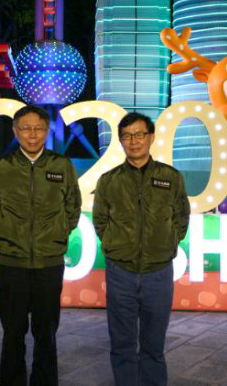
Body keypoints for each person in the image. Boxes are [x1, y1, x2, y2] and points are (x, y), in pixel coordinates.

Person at [0, 104, 81, 386]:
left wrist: (56, 233)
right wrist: (6, 231)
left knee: (46, 333)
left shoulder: (62, 166)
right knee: (12, 332)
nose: (32, 134)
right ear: (15, 132)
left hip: (49, 262)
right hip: (11, 262)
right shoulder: (2, 167)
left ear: (47, 130)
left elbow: (72, 207)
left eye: (38, 128)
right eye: (26, 129)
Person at [93, 112, 190, 386]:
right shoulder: (109, 180)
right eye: (127, 136)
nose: (133, 141)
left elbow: (181, 216)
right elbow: (100, 220)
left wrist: (167, 243)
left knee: (154, 344)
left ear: (151, 137)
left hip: (158, 272)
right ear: (120, 141)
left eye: (139, 134)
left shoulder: (170, 177)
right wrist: (114, 245)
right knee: (122, 342)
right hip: (120, 271)